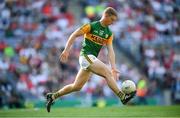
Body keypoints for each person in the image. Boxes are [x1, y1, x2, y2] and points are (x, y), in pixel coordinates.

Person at [46, 7, 136, 112]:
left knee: (76, 86)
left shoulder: (109, 34)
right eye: (112, 20)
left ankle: (53, 96)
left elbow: (111, 51)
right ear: (106, 16)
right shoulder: (91, 26)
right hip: (85, 57)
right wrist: (66, 50)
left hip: (91, 60)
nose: (112, 23)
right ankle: (122, 97)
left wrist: (114, 67)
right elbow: (74, 34)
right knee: (107, 73)